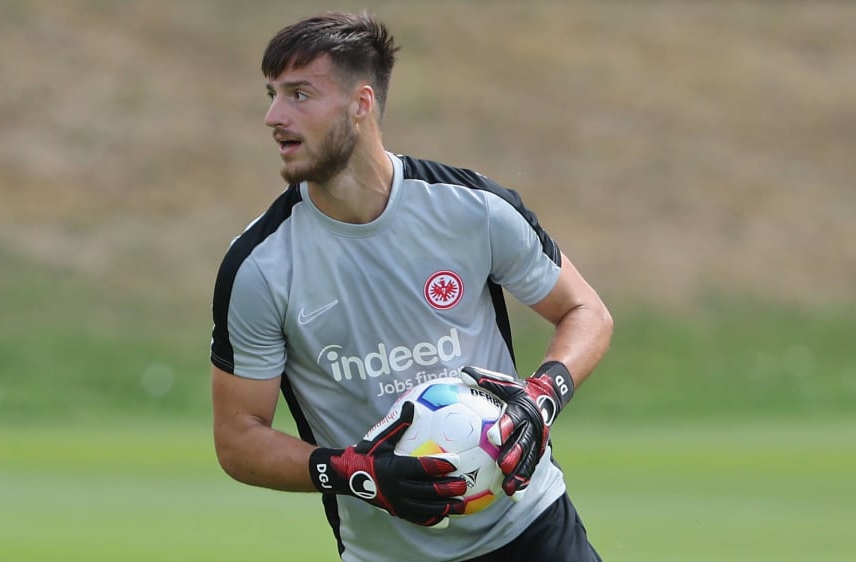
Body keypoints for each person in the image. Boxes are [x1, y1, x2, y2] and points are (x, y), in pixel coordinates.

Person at [210, 11, 613, 562]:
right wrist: (355, 472)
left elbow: (586, 311)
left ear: (361, 103)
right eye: (272, 94)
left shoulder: (471, 209)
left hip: (534, 532)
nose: (273, 116)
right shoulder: (260, 266)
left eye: (299, 94)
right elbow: (238, 438)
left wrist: (541, 399)